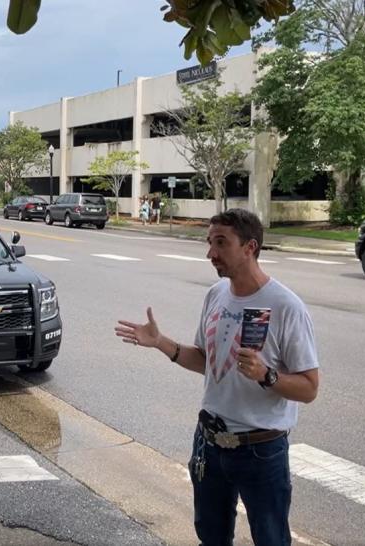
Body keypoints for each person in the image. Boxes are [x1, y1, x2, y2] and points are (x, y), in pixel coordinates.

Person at [115, 209, 319, 546]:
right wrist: (160, 343)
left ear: (249, 247)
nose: (211, 253)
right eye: (210, 243)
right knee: (211, 537)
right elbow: (206, 361)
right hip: (209, 442)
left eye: (221, 243)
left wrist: (266, 375)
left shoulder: (286, 306)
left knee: (271, 539)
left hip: (261, 449)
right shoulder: (216, 295)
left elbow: (310, 388)